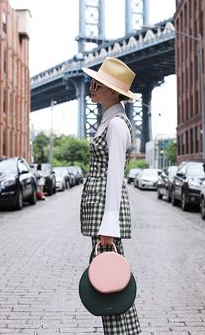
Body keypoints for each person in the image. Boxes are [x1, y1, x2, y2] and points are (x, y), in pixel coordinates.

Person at [80, 57, 141, 334]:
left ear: (114, 92)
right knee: (105, 283)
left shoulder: (116, 124)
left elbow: (116, 174)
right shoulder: (109, 121)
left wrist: (109, 225)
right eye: (94, 82)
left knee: (111, 284)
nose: (92, 87)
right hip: (100, 210)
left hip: (106, 216)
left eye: (99, 84)